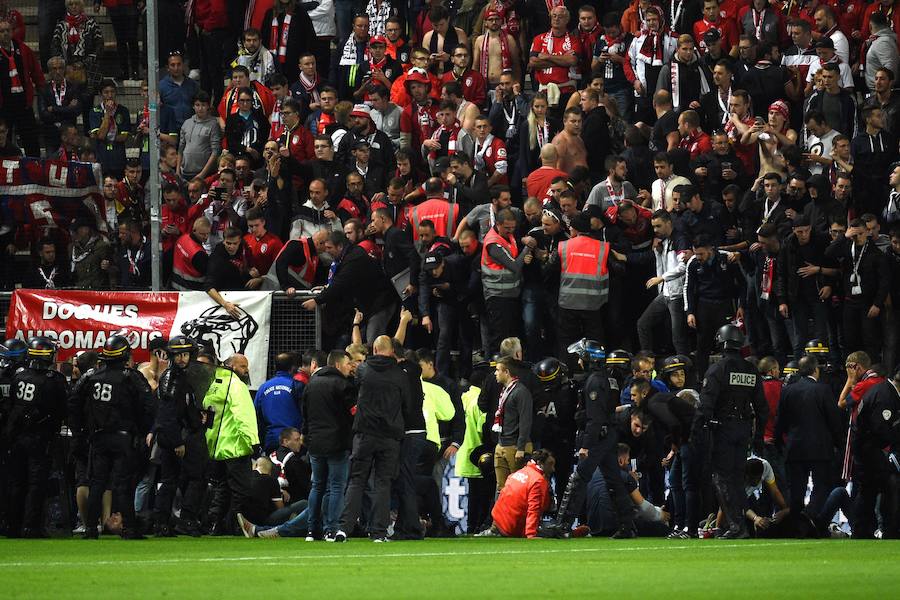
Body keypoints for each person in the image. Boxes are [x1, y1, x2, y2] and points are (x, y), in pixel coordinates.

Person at [541, 342, 637, 539]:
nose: (578, 361)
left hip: (597, 437)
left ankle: (562, 526)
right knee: (614, 481)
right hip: (608, 434)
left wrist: (586, 444)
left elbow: (594, 416)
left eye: (580, 357)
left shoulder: (594, 381)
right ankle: (628, 526)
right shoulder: (609, 379)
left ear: (588, 358)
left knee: (578, 479)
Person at [69, 334, 154, 539]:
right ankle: (129, 528)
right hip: (124, 438)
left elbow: (73, 403)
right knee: (123, 484)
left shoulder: (90, 376)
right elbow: (149, 405)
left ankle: (90, 528)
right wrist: (143, 432)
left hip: (98, 437)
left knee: (96, 483)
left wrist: (81, 431)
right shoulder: (131, 377)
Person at [691, 325, 767, 539]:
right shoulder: (751, 370)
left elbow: (705, 406)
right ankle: (740, 525)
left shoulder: (718, 369)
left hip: (723, 428)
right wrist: (759, 436)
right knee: (735, 479)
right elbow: (762, 408)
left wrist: (695, 434)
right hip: (743, 430)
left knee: (720, 478)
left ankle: (736, 526)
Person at [334, 336, 410, 543]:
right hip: (390, 437)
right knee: (383, 484)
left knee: (356, 481)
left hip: (365, 434)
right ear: (392, 351)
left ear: (375, 349)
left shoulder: (363, 370)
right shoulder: (400, 375)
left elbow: (351, 390)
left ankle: (343, 529)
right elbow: (408, 406)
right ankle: (378, 532)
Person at [4, 337, 67, 538]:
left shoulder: (19, 376)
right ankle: (31, 526)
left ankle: (13, 525)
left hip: (17, 437)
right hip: (40, 438)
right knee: (36, 484)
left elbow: (13, 404)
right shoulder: (53, 380)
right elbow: (62, 410)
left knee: (17, 482)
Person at [151, 336, 208, 537]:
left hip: (179, 435)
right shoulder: (172, 378)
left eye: (185, 354)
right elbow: (167, 413)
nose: (182, 359)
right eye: (178, 355)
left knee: (173, 480)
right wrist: (177, 441)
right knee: (190, 478)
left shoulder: (182, 376)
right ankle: (183, 520)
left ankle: (163, 523)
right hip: (178, 437)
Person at [774, 355, 843, 519]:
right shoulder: (823, 389)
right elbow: (834, 420)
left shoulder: (787, 390)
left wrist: (779, 443)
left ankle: (797, 525)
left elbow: (780, 421)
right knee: (822, 486)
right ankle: (809, 515)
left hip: (794, 447)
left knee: (796, 490)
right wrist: (840, 443)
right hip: (819, 448)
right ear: (815, 370)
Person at [301, 350, 355, 540]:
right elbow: (353, 413)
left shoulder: (311, 384)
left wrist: (306, 436)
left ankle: (311, 530)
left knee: (317, 486)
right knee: (337, 487)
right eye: (349, 364)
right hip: (337, 443)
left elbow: (305, 415)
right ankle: (331, 529)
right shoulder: (343, 385)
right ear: (338, 365)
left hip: (315, 443)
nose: (351, 367)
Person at [488, 449, 555, 538]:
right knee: (556, 533)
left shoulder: (519, 472)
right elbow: (534, 508)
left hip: (497, 521)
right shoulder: (537, 481)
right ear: (540, 463)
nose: (553, 469)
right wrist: (531, 534)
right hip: (511, 528)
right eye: (550, 464)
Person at [254, 353, 304, 453]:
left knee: (272, 467)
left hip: (271, 438)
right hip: (293, 440)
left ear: (274, 367)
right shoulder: (296, 386)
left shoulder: (263, 388)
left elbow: (255, 414)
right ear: (292, 367)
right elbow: (305, 412)